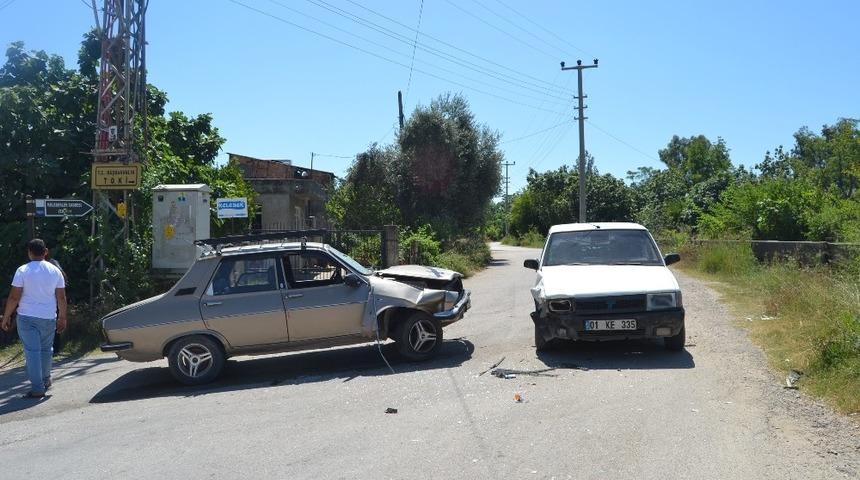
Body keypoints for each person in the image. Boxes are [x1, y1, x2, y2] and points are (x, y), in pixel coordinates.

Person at [1, 239, 67, 399]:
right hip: (49, 317)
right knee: (46, 350)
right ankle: (45, 379)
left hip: (27, 317)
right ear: (45, 252)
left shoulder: (22, 270)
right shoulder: (55, 271)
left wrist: (6, 316)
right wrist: (62, 317)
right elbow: (61, 298)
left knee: (32, 352)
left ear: (29, 252)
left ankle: (38, 388)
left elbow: (14, 297)